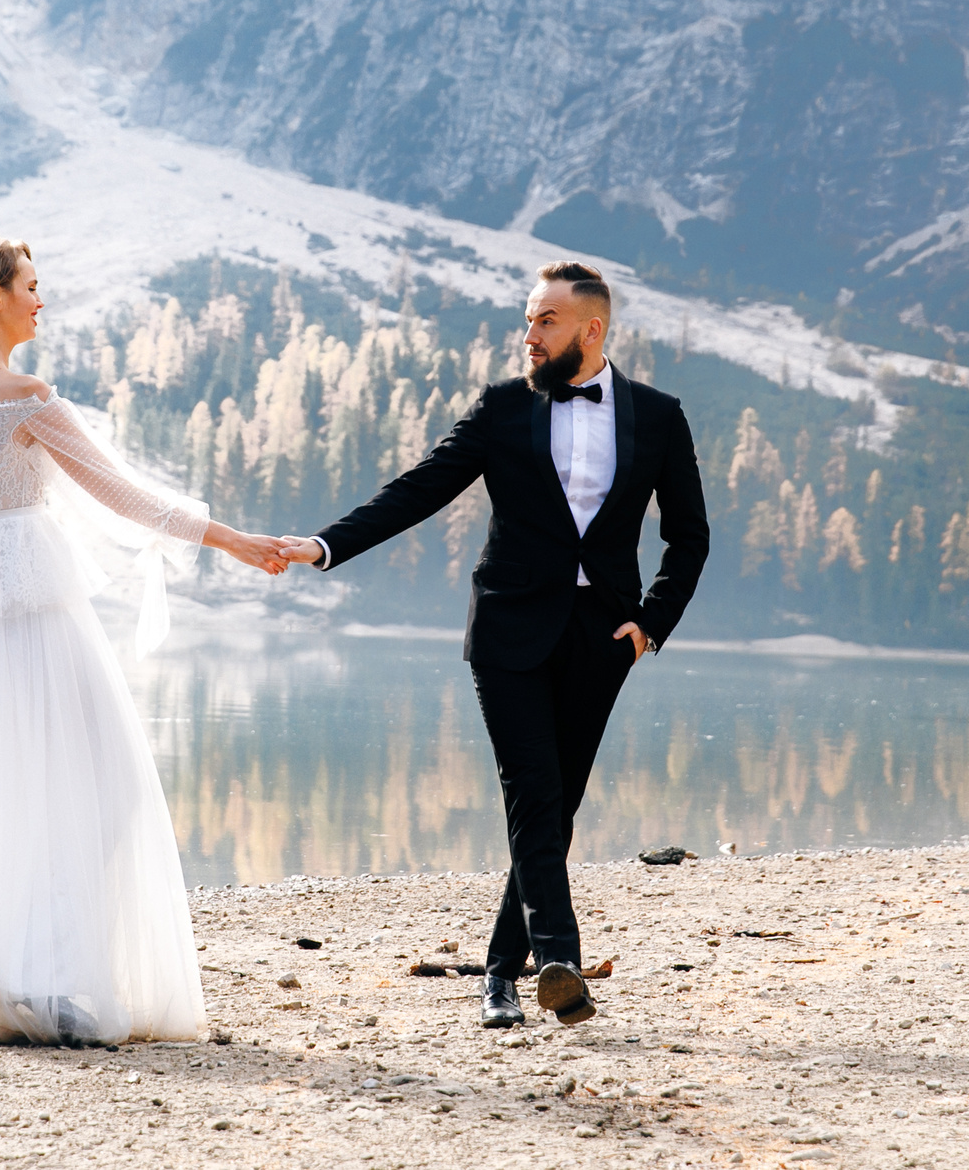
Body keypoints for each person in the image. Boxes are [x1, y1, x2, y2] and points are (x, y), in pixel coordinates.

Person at [280, 261, 708, 1029]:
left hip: (603, 637)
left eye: (546, 320)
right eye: (527, 318)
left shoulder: (658, 415)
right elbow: (420, 487)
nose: (529, 334)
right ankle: (560, 959)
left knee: (556, 807)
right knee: (534, 793)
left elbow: (690, 535)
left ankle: (500, 976)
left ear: (592, 329)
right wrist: (325, 545)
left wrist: (651, 623)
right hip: (508, 630)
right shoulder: (503, 407)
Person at [0, 234, 291, 1045]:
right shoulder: (29, 398)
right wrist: (233, 539)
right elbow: (124, 493)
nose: (41, 299)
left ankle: (5, 971)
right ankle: (37, 975)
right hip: (33, 604)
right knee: (99, 782)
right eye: (30, 285)